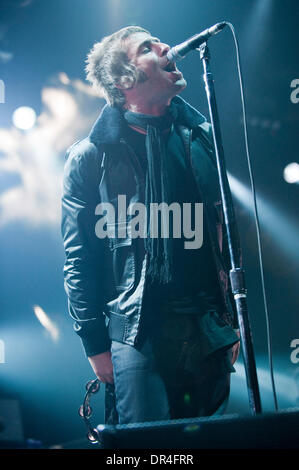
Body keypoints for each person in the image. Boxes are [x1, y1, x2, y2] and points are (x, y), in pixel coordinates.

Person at [61, 26, 241, 425]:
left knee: (209, 443)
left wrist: (229, 320)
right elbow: (78, 259)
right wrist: (94, 342)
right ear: (125, 79)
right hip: (139, 332)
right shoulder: (92, 156)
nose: (165, 46)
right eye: (147, 47)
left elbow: (225, 235)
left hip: (208, 326)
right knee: (147, 447)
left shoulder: (201, 139)